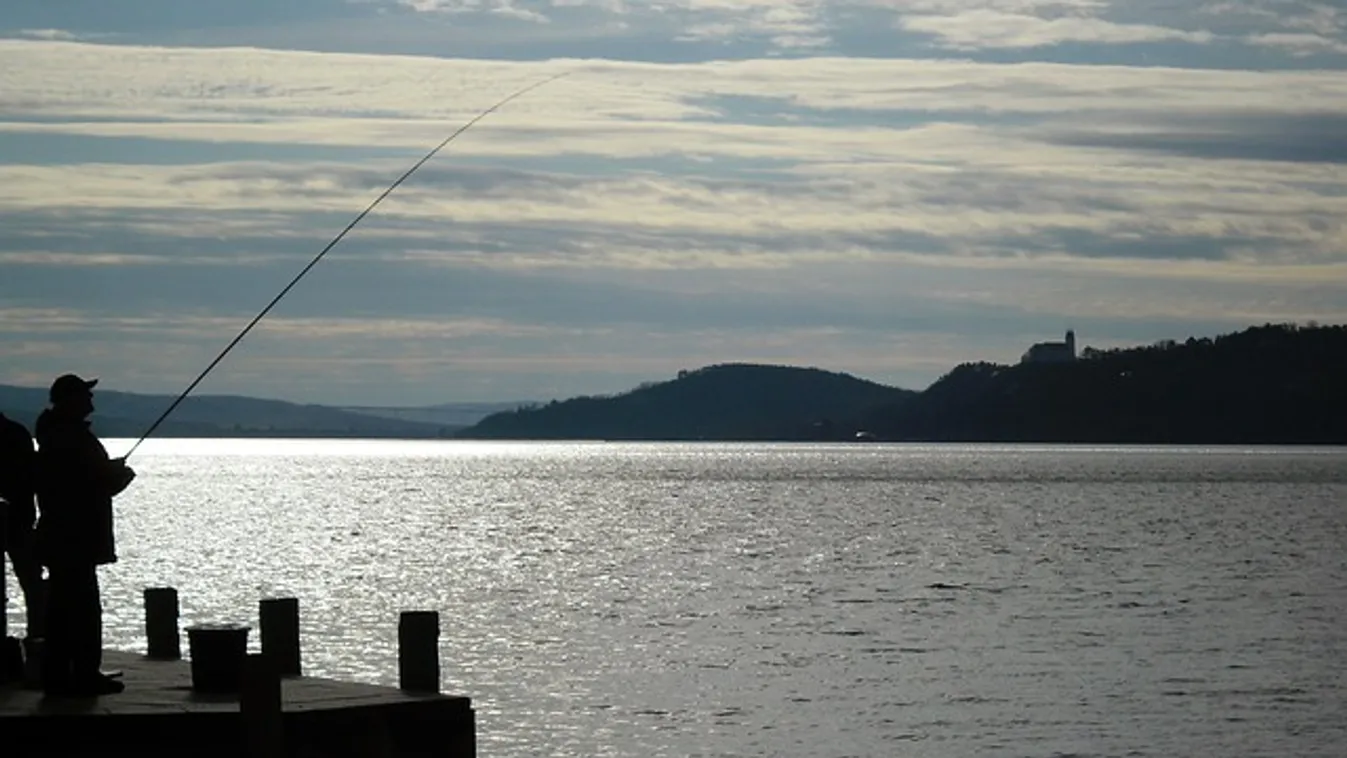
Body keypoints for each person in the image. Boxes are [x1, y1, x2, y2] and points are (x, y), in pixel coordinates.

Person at [34, 374, 135, 696]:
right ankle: (83, 674)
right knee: (81, 610)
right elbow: (85, 489)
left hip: (62, 536)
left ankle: (61, 673)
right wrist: (118, 477)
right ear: (70, 399)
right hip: (75, 538)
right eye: (85, 396)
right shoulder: (69, 438)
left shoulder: (55, 435)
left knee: (63, 609)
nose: (91, 402)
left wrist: (108, 475)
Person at [1, 411, 46, 640]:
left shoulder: (16, 433)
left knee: (32, 582)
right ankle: (38, 638)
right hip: (22, 519)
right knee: (32, 583)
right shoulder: (18, 433)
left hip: (19, 519)